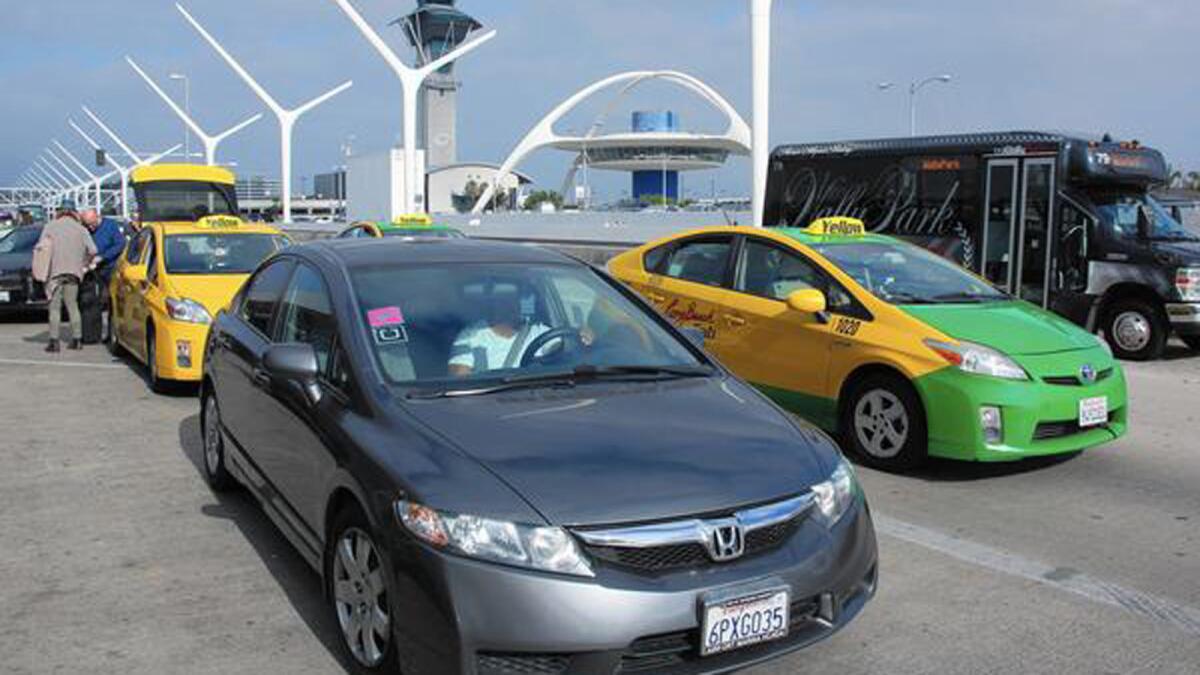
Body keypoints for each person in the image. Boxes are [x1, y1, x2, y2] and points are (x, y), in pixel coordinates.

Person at [448, 285, 551, 376]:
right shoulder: (471, 337)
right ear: (492, 304)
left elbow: (561, 352)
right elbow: (460, 378)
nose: (510, 305)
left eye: (514, 299)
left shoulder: (541, 333)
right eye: (503, 301)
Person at [36, 204, 98, 352]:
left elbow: (41, 247)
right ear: (74, 213)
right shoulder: (81, 229)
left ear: (59, 212)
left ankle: (54, 342)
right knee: (73, 306)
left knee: (55, 308)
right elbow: (93, 250)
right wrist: (85, 262)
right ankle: (77, 340)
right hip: (74, 273)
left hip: (54, 274)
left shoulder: (50, 227)